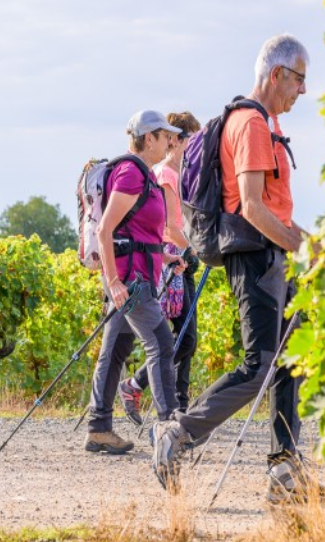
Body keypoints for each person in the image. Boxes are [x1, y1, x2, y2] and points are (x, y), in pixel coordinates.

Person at [150, 35, 313, 499]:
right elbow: (253, 209)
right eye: (299, 79)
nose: (302, 90)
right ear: (277, 74)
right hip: (257, 258)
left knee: (291, 360)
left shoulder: (262, 123)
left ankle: (285, 470)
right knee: (258, 366)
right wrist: (297, 249)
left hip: (270, 255)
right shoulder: (253, 125)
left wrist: (310, 245)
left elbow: (276, 211)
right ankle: (178, 432)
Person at [83, 110, 187, 455]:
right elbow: (105, 229)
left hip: (134, 275)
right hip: (131, 281)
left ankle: (99, 428)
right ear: (148, 139)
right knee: (162, 343)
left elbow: (137, 230)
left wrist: (166, 255)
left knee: (114, 351)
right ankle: (169, 427)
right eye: (164, 135)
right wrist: (113, 280)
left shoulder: (143, 174)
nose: (170, 141)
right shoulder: (130, 173)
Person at [117, 112, 203, 423]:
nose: (195, 145)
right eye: (191, 138)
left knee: (184, 338)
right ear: (177, 140)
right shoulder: (165, 175)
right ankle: (140, 388)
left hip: (177, 258)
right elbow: (170, 226)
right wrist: (194, 251)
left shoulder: (178, 174)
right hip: (171, 259)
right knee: (180, 338)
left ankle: (178, 403)